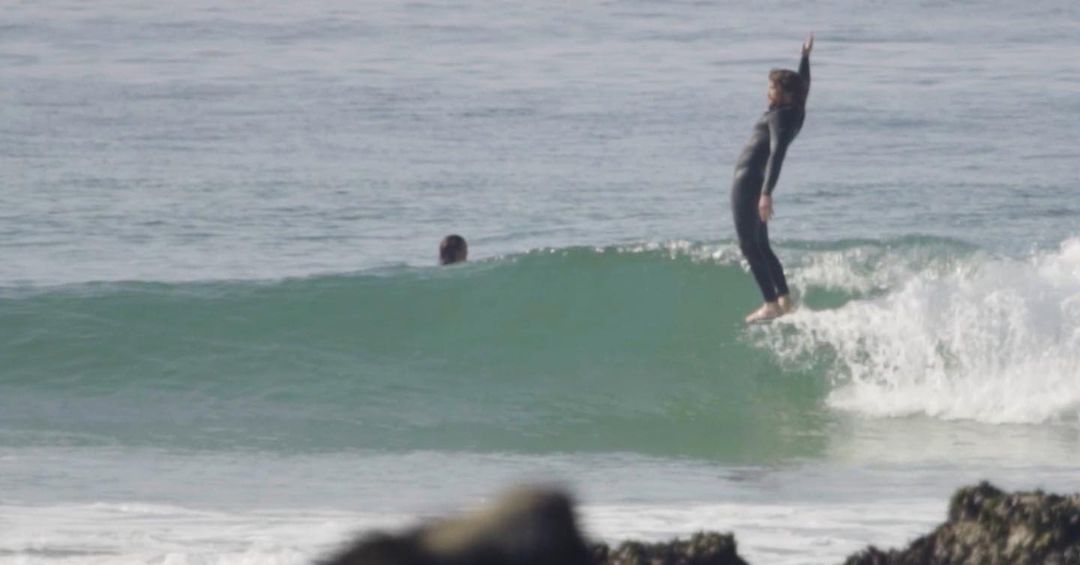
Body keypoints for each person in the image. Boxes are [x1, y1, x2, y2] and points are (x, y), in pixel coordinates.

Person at [731, 34, 813, 323]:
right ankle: (784, 300)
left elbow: (777, 154)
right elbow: (805, 86)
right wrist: (804, 58)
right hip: (757, 180)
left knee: (748, 245)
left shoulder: (779, 118)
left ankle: (770, 304)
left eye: (773, 88)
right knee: (762, 245)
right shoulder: (795, 112)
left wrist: (766, 193)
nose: (768, 92)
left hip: (749, 181)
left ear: (786, 94)